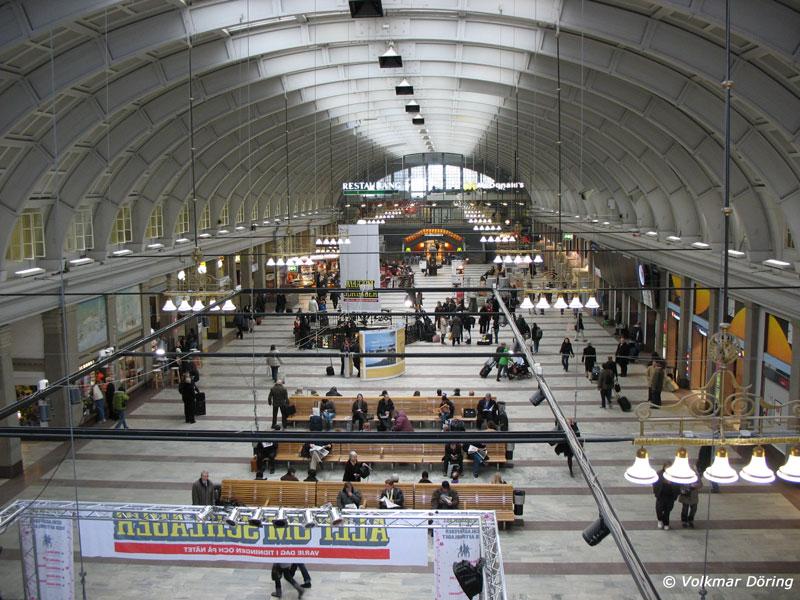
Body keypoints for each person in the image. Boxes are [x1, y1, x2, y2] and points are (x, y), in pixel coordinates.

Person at [653, 464, 680, 530]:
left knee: (667, 510)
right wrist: (656, 492)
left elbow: (677, 485)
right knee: (659, 509)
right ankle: (660, 520)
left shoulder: (674, 474)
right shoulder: (659, 474)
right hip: (661, 495)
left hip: (670, 496)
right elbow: (655, 483)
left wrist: (675, 494)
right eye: (667, 467)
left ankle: (666, 523)